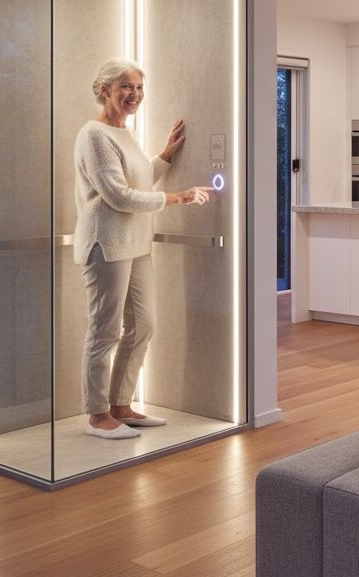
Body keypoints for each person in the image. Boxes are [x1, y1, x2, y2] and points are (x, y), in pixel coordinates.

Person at [74, 58, 213, 440]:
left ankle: (121, 403)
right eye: (126, 87)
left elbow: (138, 177)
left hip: (136, 244)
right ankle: (98, 414)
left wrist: (166, 155)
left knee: (144, 325)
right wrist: (177, 198)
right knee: (104, 332)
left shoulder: (125, 133)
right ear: (105, 90)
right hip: (106, 245)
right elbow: (118, 195)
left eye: (139, 88)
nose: (134, 95)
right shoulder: (94, 135)